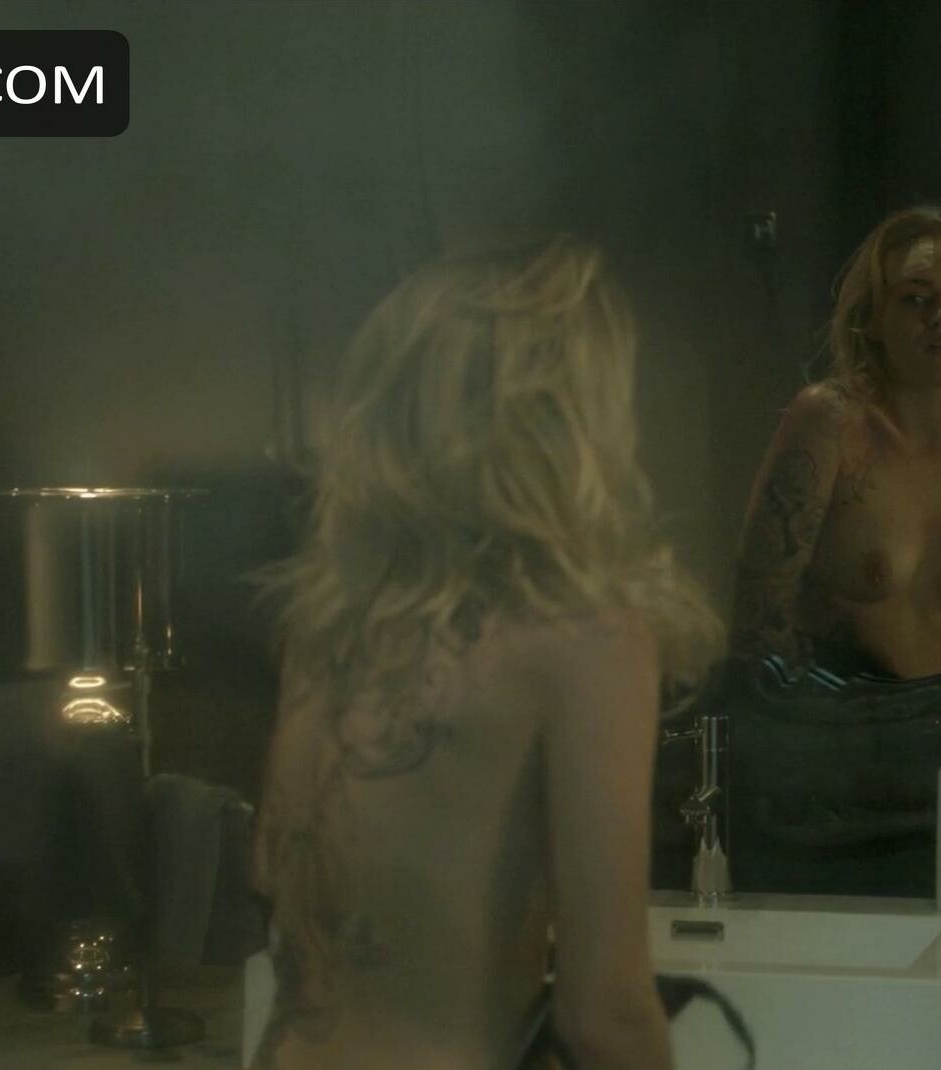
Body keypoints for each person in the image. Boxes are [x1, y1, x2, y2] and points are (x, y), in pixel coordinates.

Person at [249, 236, 721, 1069]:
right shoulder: (585, 639)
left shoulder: (327, 629)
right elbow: (605, 1013)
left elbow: (283, 895)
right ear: (566, 419)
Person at [729, 200, 941, 681]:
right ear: (875, 318)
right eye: (916, 298)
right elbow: (757, 624)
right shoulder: (831, 422)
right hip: (826, 708)